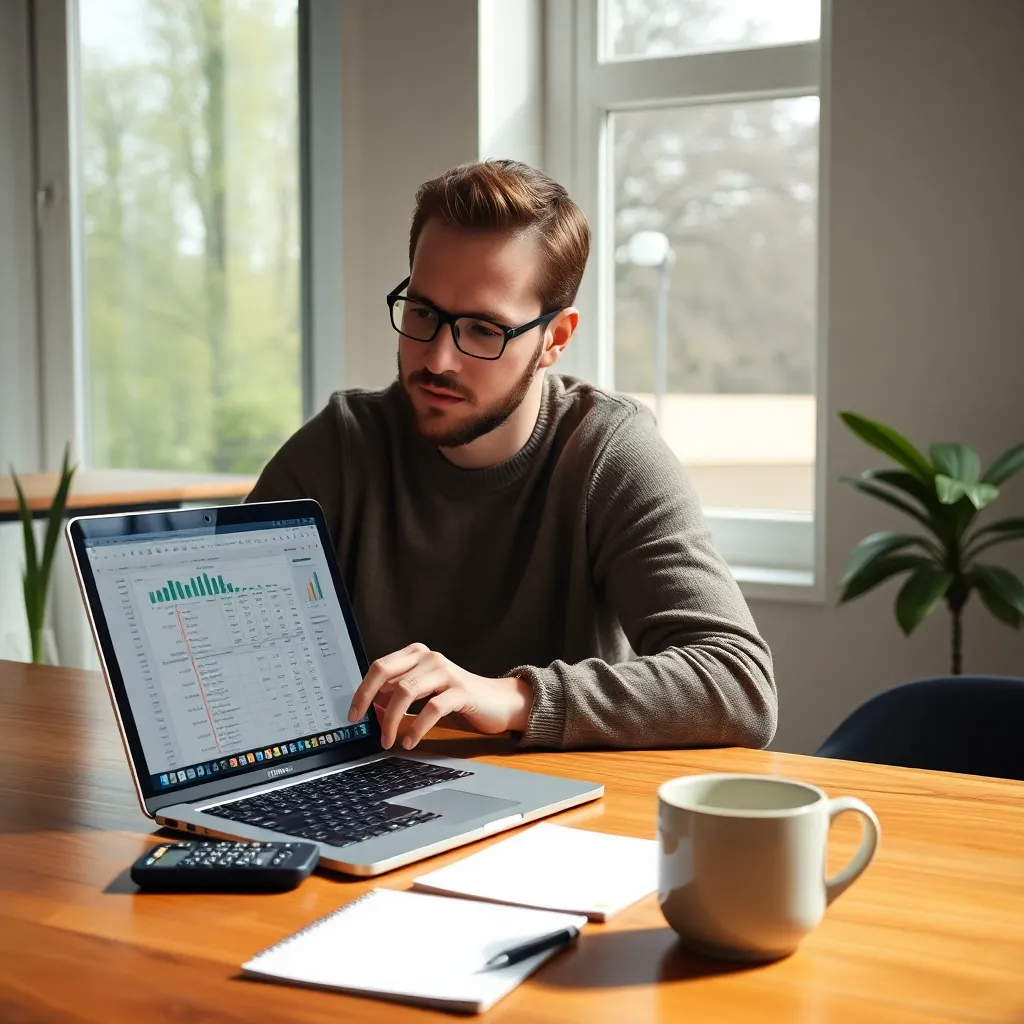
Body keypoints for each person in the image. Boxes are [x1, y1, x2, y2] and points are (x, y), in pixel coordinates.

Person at [247, 159, 776, 753]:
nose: (439, 359)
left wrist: (512, 697)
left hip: (561, 816)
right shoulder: (340, 448)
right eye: (422, 313)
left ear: (555, 338)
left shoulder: (608, 451)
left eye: (482, 330)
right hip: (371, 798)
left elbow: (739, 685)